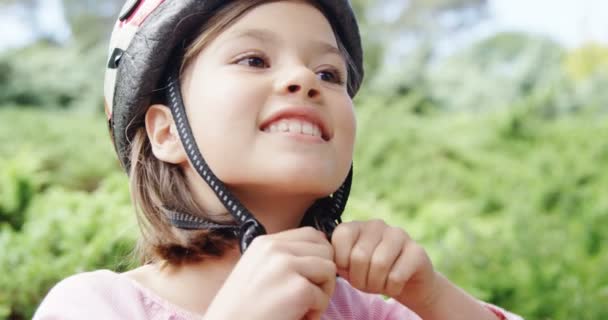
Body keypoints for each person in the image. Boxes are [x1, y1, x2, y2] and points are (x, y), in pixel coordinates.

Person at [34, 0, 523, 319]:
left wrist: (434, 298)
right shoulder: (96, 306)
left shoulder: (369, 310)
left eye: (329, 73)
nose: (305, 80)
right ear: (165, 132)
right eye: (254, 60)